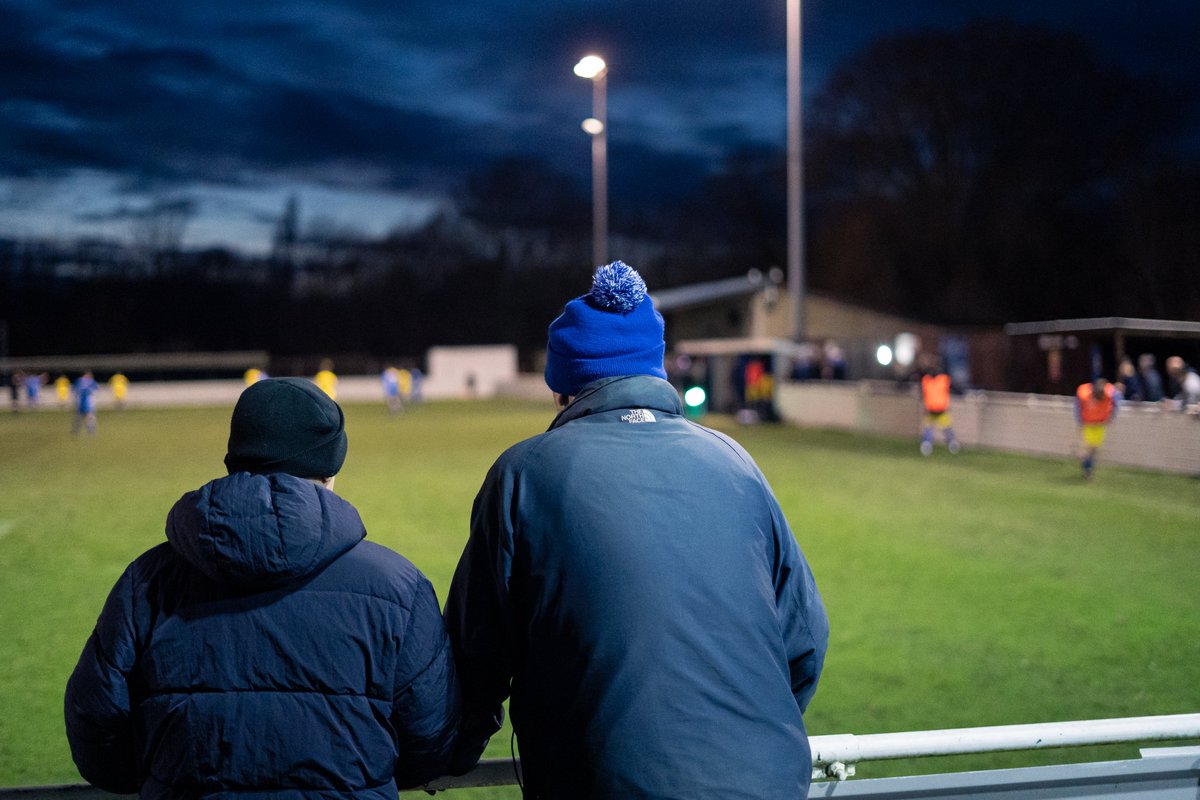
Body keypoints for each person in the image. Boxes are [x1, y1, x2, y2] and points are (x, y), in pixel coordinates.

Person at [444, 262, 829, 799]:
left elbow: (476, 651)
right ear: (656, 372)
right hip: (768, 781)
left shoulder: (524, 473)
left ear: (563, 389)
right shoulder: (736, 460)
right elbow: (805, 638)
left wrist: (451, 752)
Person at [65, 377, 461, 797]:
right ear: (330, 469)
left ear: (235, 458)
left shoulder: (145, 581)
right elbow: (431, 739)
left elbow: (97, 728)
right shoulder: (399, 586)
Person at [1075, 377, 1118, 479]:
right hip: (1089, 424)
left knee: (1095, 448)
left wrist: (1112, 416)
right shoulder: (1084, 393)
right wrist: (1079, 420)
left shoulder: (1110, 392)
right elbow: (1077, 406)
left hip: (1099, 424)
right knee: (1089, 447)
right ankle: (1088, 468)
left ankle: (1088, 466)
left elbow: (1117, 398)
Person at [920, 361, 960, 455]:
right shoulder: (927, 380)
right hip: (931, 410)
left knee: (946, 428)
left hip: (940, 409)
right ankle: (927, 444)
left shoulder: (943, 379)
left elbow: (955, 388)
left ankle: (952, 443)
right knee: (928, 429)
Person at [71, 371, 99, 435]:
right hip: (86, 403)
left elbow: (73, 389)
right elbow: (96, 389)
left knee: (81, 417)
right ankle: (90, 431)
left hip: (82, 403)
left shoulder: (80, 381)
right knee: (87, 417)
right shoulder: (90, 381)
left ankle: (77, 431)